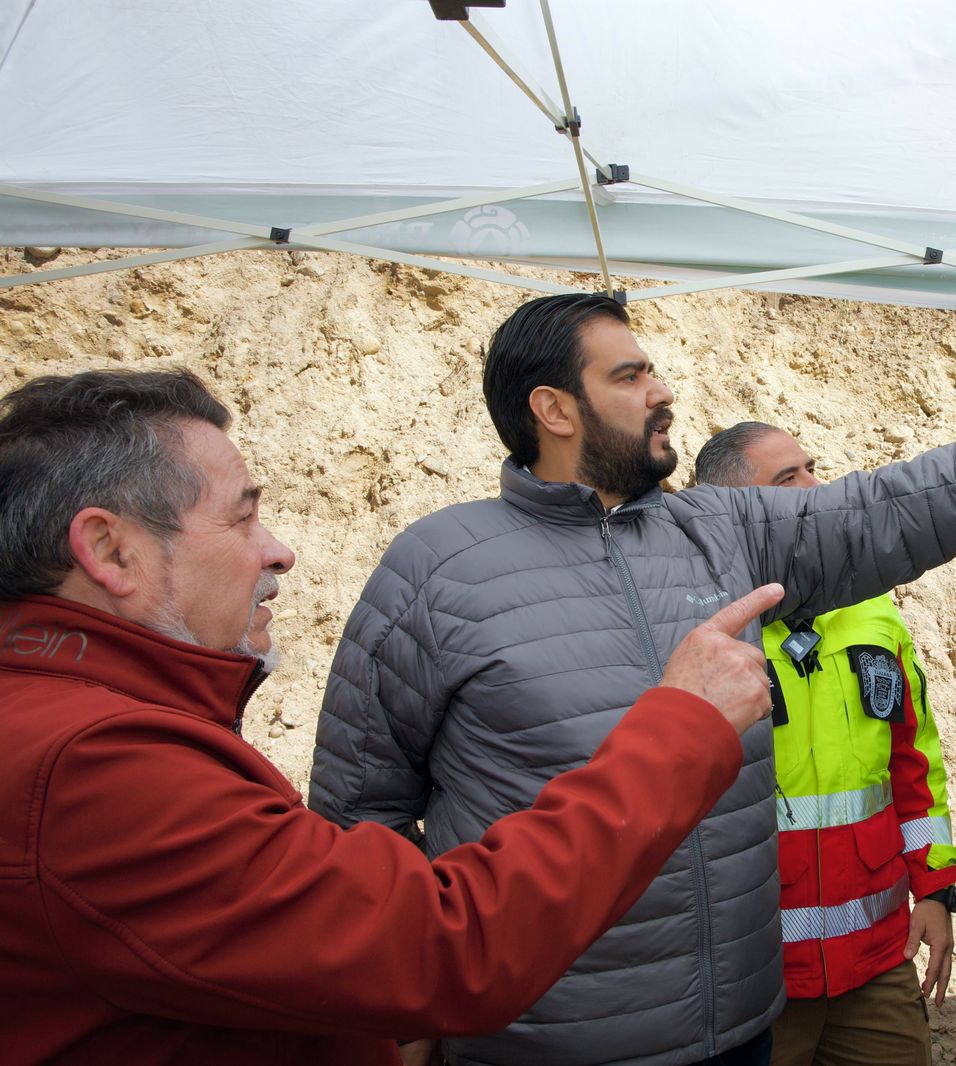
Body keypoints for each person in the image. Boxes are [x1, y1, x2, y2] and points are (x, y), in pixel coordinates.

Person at [310, 292, 956, 1066]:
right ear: (553, 409)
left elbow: (890, 507)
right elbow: (358, 816)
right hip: (543, 1044)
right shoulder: (437, 568)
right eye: (627, 376)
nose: (662, 390)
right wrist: (395, 1015)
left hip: (737, 1031)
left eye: (652, 369)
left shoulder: (722, 531)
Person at [0, 368, 781, 1066]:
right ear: (110, 550)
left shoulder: (71, 721)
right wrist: (684, 724)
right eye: (241, 520)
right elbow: (445, 943)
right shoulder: (90, 767)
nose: (278, 553)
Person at [695, 423, 956, 1066]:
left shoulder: (873, 609)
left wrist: (936, 891)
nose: (820, 489)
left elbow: (912, 762)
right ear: (738, 511)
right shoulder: (699, 626)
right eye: (789, 479)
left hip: (878, 965)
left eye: (814, 468)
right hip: (751, 984)